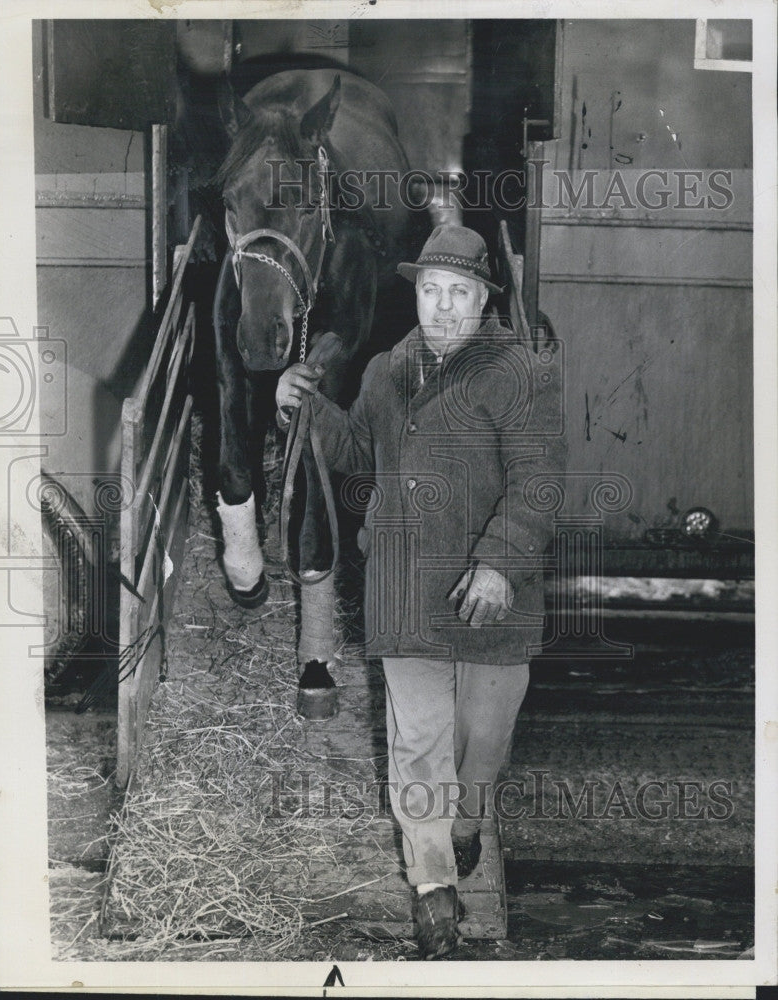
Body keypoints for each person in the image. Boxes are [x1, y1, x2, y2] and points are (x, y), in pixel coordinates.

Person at [276, 224, 565, 959]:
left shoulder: (518, 372)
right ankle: (432, 883)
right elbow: (354, 455)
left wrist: (499, 561)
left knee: (483, 738)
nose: (440, 307)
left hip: (492, 591)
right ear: (415, 295)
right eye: (429, 291)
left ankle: (467, 819)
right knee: (417, 739)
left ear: (482, 300)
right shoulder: (384, 371)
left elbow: (538, 481)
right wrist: (302, 407)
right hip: (403, 581)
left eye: (457, 293)